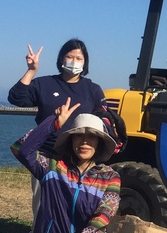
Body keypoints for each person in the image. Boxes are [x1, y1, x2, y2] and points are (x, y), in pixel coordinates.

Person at [11, 97, 122, 233]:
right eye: (78, 136)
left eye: (91, 137)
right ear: (70, 140)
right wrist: (53, 123)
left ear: (100, 142)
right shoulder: (52, 167)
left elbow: (103, 218)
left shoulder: (110, 177)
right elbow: (21, 148)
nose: (84, 142)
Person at [8, 39, 110, 217]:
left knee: (75, 206)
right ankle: (39, 232)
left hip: (79, 158)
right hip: (46, 155)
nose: (74, 61)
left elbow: (103, 120)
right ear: (61, 59)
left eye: (79, 58)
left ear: (85, 62)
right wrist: (31, 70)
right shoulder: (44, 84)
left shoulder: (92, 89)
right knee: (43, 205)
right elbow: (16, 98)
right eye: (69, 57)